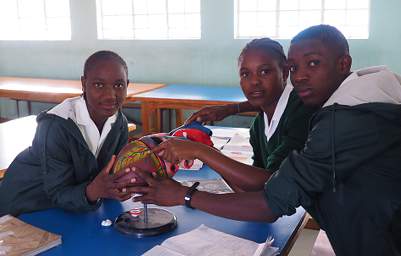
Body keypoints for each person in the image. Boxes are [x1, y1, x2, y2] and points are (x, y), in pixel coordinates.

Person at [130, 25, 401, 256]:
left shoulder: (339, 121)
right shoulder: (352, 106)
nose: (301, 75)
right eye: (295, 67)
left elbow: (270, 201)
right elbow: (256, 191)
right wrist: (219, 129)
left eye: (314, 63)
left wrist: (185, 190)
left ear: (344, 64)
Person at [150, 38, 316, 192]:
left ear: (285, 73)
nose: (254, 81)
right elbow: (254, 190)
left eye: (264, 72)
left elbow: (270, 184)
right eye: (245, 74)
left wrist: (202, 152)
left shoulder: (301, 114)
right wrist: (208, 150)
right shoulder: (259, 126)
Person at [0, 50, 135, 216]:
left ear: (127, 85)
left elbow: (111, 175)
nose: (110, 95)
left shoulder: (119, 122)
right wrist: (95, 190)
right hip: (26, 206)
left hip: (73, 206)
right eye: (99, 85)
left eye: (118, 85)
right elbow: (58, 192)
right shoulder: (56, 125)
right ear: (84, 83)